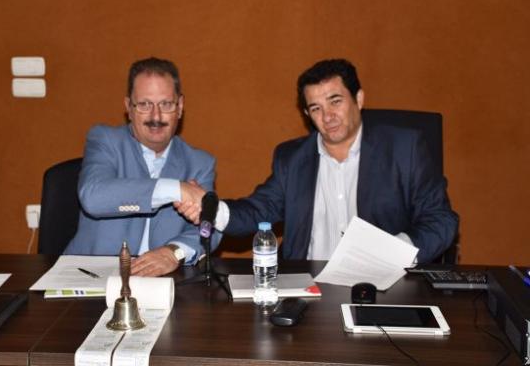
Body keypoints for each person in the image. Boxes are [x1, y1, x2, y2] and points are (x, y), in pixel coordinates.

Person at [177, 58, 458, 264]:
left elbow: (441, 220)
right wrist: (210, 208)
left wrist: (395, 252)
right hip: (307, 286)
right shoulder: (292, 158)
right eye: (316, 108)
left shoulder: (404, 149)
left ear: (359, 99)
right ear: (307, 114)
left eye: (336, 101)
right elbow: (258, 210)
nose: (328, 116)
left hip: (381, 285)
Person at [64, 57, 212, 276]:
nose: (156, 116)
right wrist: (176, 189)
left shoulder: (200, 163)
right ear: (128, 107)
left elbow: (209, 229)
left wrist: (174, 252)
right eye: (144, 104)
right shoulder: (105, 140)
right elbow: (93, 197)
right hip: (90, 277)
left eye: (166, 104)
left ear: (180, 107)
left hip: (163, 282)